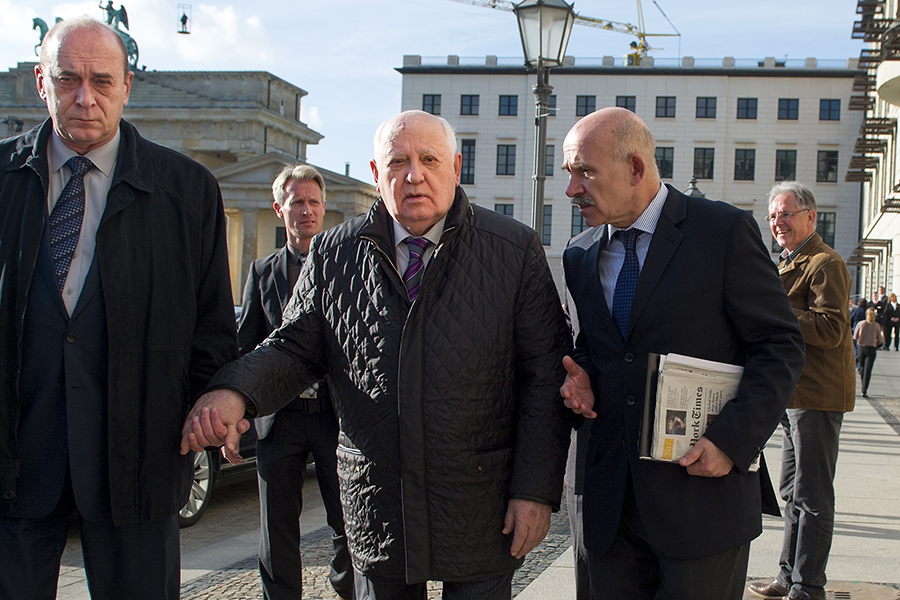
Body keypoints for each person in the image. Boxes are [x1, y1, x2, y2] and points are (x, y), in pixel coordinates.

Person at [182, 109, 572, 600]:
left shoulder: (512, 249)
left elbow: (543, 377)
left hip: (481, 503)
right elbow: (292, 348)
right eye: (398, 162)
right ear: (375, 174)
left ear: (455, 167)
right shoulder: (333, 254)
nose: (414, 175)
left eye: (429, 159)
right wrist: (236, 391)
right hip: (378, 502)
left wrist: (535, 491)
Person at [0, 17, 236, 600]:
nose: (85, 98)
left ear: (127, 85)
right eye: (68, 80)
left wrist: (219, 399)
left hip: (139, 464)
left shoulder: (188, 191)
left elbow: (211, 329)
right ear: (40, 82)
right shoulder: (2, 181)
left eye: (102, 81)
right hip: (14, 467)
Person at [558, 107, 805, 600]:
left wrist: (732, 442)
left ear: (634, 167)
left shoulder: (722, 232)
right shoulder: (579, 253)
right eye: (569, 173)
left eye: (585, 172)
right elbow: (600, 347)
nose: (572, 190)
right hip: (608, 508)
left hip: (701, 502)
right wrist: (581, 375)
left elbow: (780, 345)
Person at [237, 164, 352, 600]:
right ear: (279, 209)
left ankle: (348, 591)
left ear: (324, 209)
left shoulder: (345, 267)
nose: (306, 211)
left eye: (314, 203)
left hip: (333, 418)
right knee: (276, 529)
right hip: (278, 421)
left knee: (347, 519)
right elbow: (246, 348)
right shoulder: (262, 272)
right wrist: (238, 415)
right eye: (297, 203)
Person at [749, 181, 855, 600]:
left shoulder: (823, 263)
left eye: (786, 214)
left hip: (817, 396)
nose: (778, 222)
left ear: (810, 216)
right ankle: (787, 576)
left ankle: (808, 586)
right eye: (773, 215)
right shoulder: (789, 261)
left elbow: (830, 328)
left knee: (812, 497)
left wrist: (780, 312)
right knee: (793, 494)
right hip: (796, 395)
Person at [854, 308, 883, 397]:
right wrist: (876, 342)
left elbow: (855, 336)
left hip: (861, 348)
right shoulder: (876, 325)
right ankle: (864, 389)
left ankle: (863, 384)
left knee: (862, 367)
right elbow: (880, 339)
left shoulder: (861, 324)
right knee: (868, 369)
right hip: (871, 348)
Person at [850, 298, 869, 372]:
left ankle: (858, 365)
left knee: (856, 350)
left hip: (856, 331)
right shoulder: (867, 311)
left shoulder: (856, 311)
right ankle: (863, 364)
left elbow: (851, 320)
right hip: (866, 333)